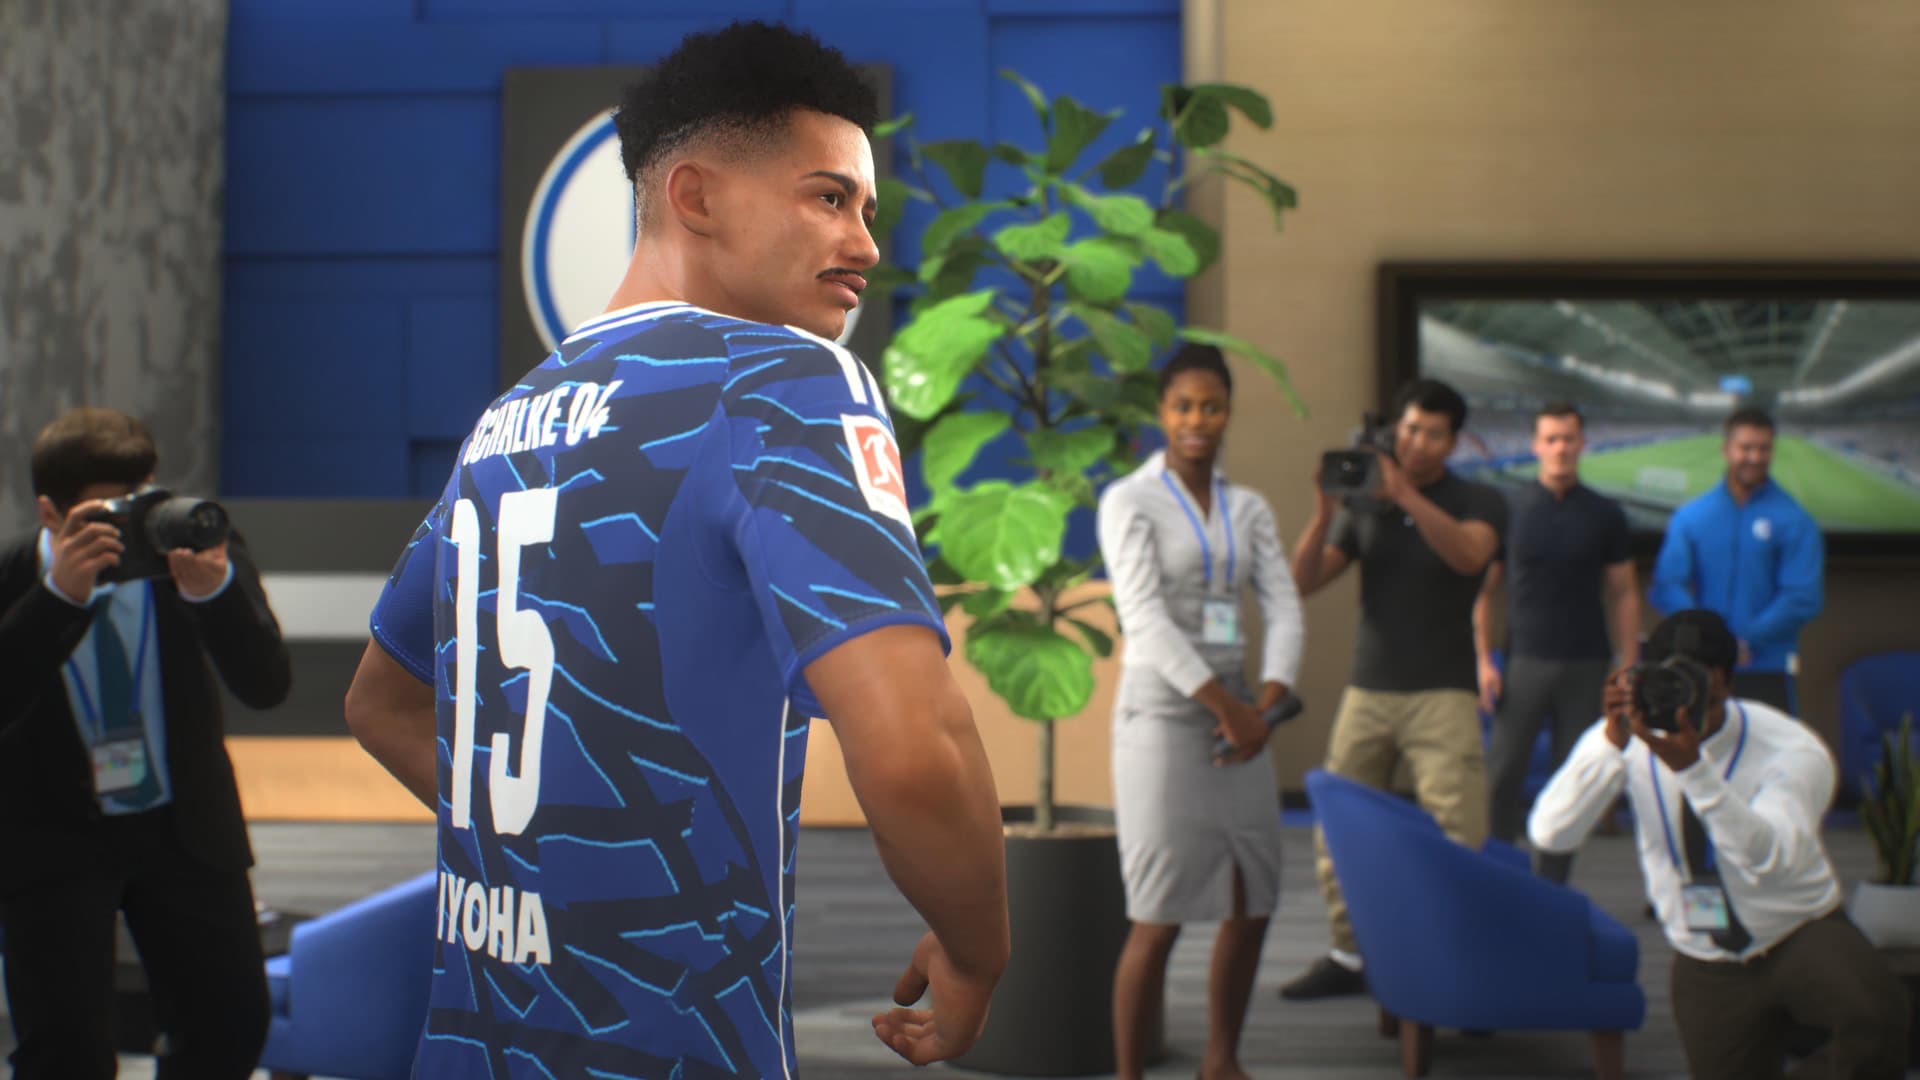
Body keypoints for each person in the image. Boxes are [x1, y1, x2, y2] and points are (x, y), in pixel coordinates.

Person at [343, 22, 1008, 1078]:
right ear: (695, 196)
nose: (866, 245)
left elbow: (380, 704)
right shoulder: (785, 381)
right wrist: (977, 950)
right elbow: (915, 745)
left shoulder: (505, 421)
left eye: (868, 211)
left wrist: (559, 870)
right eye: (829, 197)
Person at [0, 407, 292, 1079]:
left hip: (184, 827)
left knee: (231, 1023)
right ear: (49, 513)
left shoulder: (188, 547)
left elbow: (267, 685)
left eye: (141, 503)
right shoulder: (13, 576)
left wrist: (215, 593)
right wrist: (57, 598)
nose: (128, 529)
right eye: (102, 517)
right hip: (54, 836)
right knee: (62, 1052)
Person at [1529, 609, 1907, 1080]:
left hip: (1798, 927)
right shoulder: (1631, 735)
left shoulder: (1790, 748)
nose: (1682, 709)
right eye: (1668, 685)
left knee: (1883, 1026)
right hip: (1706, 953)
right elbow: (1550, 833)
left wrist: (1694, 772)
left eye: (1696, 688)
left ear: (1726, 682)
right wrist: (1608, 745)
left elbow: (1768, 859)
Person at [1098, 344, 1305, 1080]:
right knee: (1156, 915)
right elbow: (1143, 619)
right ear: (1162, 412)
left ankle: (1221, 1061)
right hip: (1162, 717)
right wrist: (1228, 708)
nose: (1197, 419)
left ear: (1228, 413)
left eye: (1211, 406)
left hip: (1242, 718)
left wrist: (1267, 703)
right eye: (1183, 405)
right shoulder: (1129, 500)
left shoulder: (1248, 508)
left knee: (1253, 899)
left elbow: (1284, 606)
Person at [1280, 378, 1508, 1000]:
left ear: (1453, 442)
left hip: (1445, 692)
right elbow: (1302, 582)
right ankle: (1349, 953)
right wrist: (1324, 513)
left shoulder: (1479, 500)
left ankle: (1460, 961)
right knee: (1337, 827)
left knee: (1459, 832)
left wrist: (1404, 493)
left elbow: (1469, 557)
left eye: (1432, 434)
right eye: (1409, 429)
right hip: (1369, 688)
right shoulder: (1364, 508)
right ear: (1395, 429)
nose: (1417, 443)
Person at [1474, 402, 1640, 884]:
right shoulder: (1510, 509)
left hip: (1586, 663)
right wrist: (1483, 659)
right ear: (1536, 446)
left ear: (1582, 444)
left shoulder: (1605, 513)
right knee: (1502, 774)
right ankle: (1498, 872)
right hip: (1524, 660)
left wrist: (1628, 663)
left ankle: (1553, 883)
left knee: (1573, 781)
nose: (1560, 448)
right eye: (1551, 439)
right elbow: (1483, 592)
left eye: (1568, 438)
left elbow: (1625, 593)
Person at [1650, 408, 1823, 715]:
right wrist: (1707, 641)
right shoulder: (1691, 517)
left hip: (1768, 667)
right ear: (1726, 449)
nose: (1754, 457)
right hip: (1702, 669)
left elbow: (1802, 596)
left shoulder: (1795, 520)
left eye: (1763, 448)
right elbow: (1667, 585)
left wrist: (1746, 641)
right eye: (1746, 448)